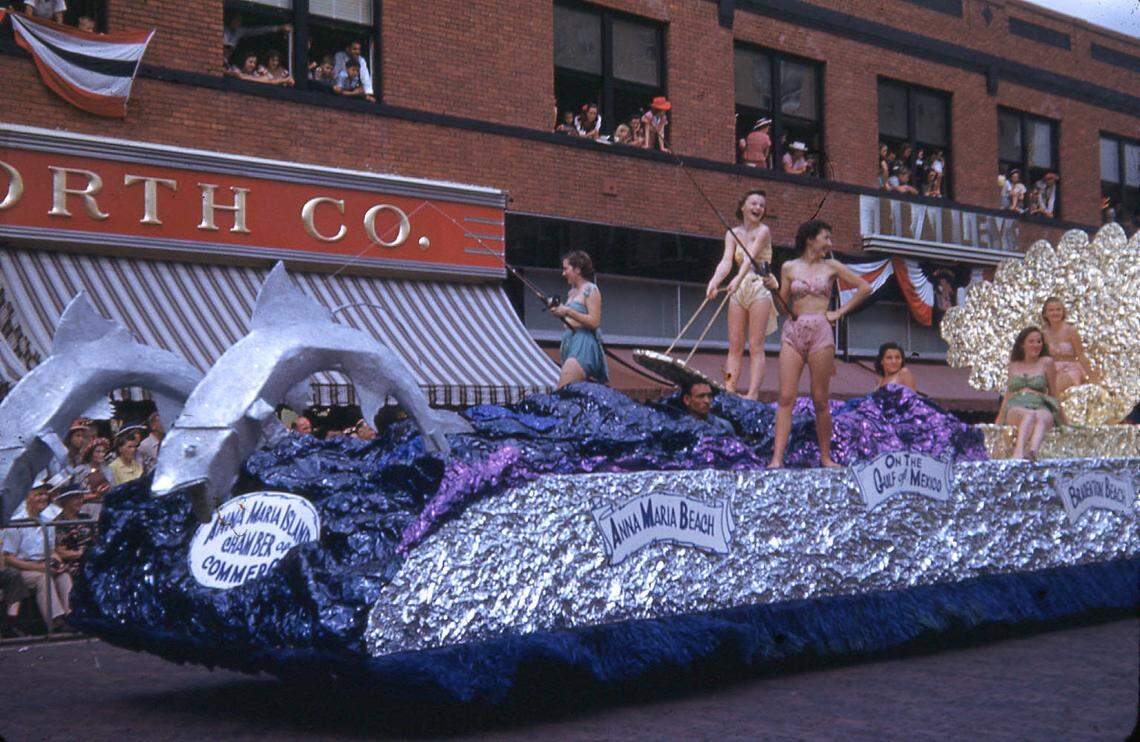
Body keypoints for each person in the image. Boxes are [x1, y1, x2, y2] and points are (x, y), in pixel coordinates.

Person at [768, 220, 871, 468]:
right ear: (810, 239)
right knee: (785, 396)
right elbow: (783, 308)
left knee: (820, 399)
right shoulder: (789, 267)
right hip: (793, 330)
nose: (830, 242)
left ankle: (826, 457)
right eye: (826, 237)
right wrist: (773, 289)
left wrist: (839, 312)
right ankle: (776, 458)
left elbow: (864, 287)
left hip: (821, 332)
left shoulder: (832, 266)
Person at [705, 189, 778, 399]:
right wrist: (714, 282)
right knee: (734, 345)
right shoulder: (732, 233)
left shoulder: (764, 231)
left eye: (761, 205)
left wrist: (737, 279)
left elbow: (750, 257)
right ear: (743, 207)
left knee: (755, 345)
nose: (758, 208)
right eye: (754, 203)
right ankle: (729, 389)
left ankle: (753, 393)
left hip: (758, 285)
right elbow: (727, 261)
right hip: (739, 287)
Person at [3, 481, 70, 628]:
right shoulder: (16, 522)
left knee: (63, 576)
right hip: (24, 568)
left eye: (45, 494)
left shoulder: (47, 521)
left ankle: (71, 616)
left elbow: (51, 551)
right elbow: (8, 558)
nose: (43, 498)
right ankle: (55, 621)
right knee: (42, 578)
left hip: (44, 563)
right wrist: (39, 568)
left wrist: (59, 564)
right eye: (38, 494)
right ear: (27, 497)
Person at [996, 326, 1063, 459]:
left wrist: (1063, 420)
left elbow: (1054, 393)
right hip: (1017, 405)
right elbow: (1008, 394)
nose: (1036, 345)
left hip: (1040, 404)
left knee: (1041, 417)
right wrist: (999, 419)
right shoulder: (1014, 365)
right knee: (1029, 415)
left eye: (1039, 342)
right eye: (1031, 341)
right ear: (1022, 344)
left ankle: (1032, 452)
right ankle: (1018, 452)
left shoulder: (1047, 363)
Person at [550, 250, 608, 387]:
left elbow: (594, 322)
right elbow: (571, 319)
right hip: (570, 342)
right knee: (571, 395)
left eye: (566, 269)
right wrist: (559, 312)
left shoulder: (591, 290)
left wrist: (567, 310)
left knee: (563, 391)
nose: (563, 273)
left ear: (577, 269)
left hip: (583, 343)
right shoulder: (571, 292)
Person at [1040, 297, 1094, 394]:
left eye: (1058, 310)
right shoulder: (1043, 333)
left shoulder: (1071, 331)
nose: (1055, 313)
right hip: (1052, 370)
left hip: (1070, 369)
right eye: (1051, 310)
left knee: (1055, 386)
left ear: (1063, 312)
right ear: (1045, 313)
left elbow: (1080, 355)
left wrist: (1092, 377)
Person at [51, 487, 94, 581]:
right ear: (66, 500)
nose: (80, 501)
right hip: (73, 563)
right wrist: (81, 554)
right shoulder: (58, 522)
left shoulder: (86, 517)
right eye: (76, 498)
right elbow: (60, 552)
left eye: (81, 497)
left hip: (93, 558)